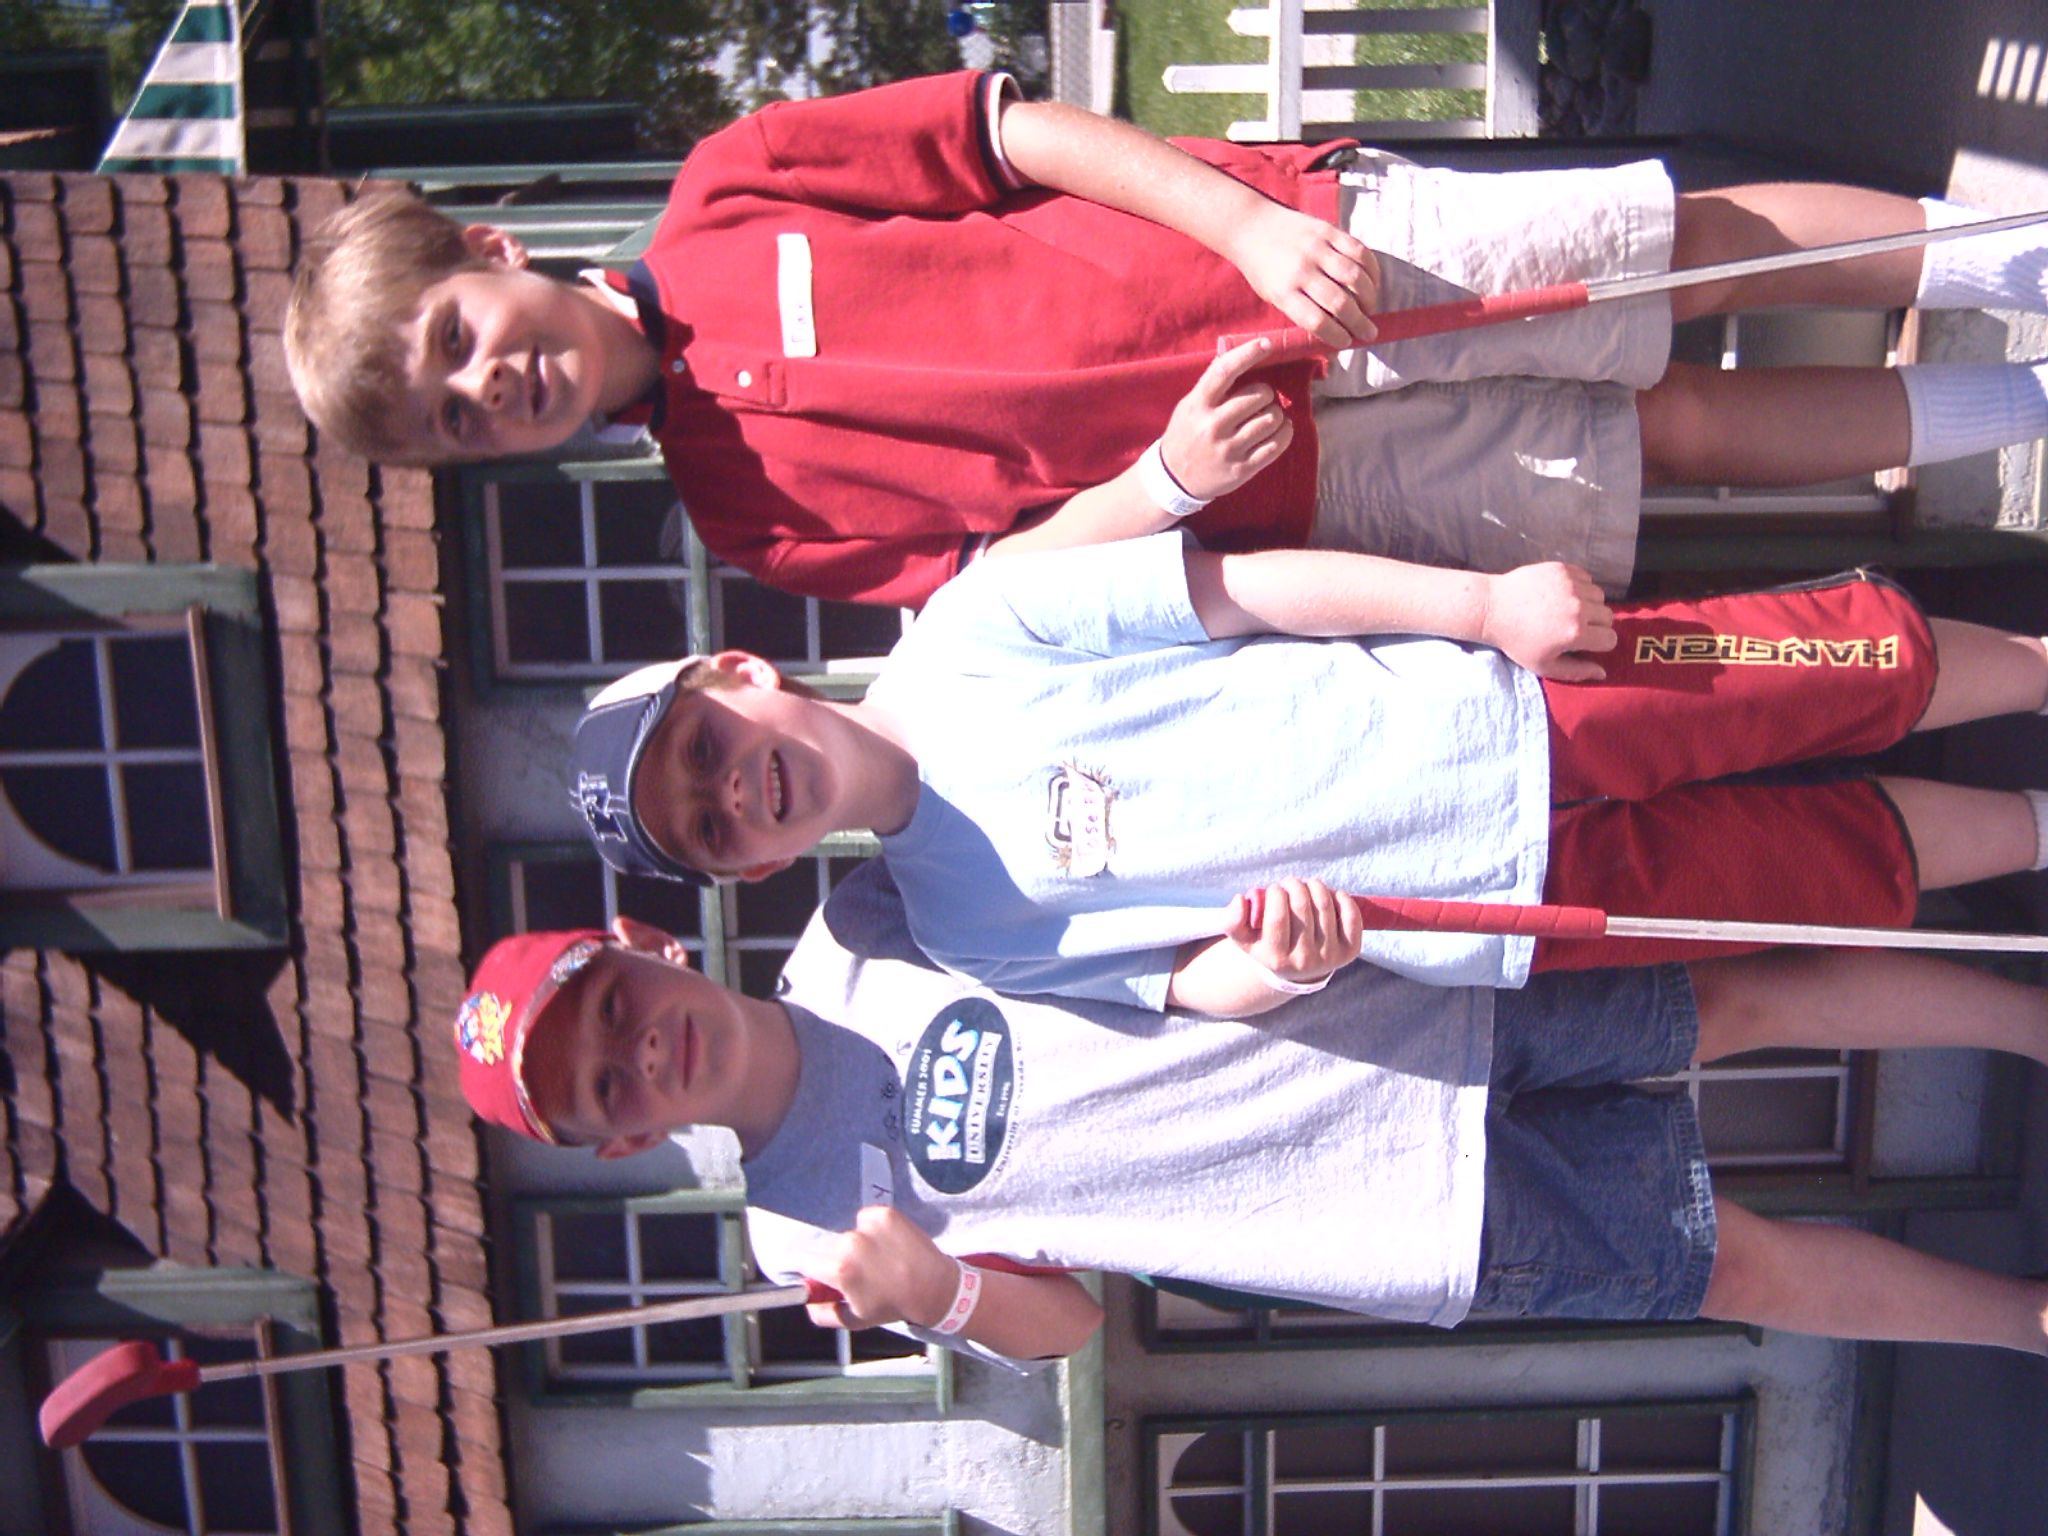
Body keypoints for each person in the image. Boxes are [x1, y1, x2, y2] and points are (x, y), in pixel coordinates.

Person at [285, 70, 2048, 607]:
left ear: (494, 252)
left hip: (1303, 253)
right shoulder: (744, 524)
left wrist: (1248, 227)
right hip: (1292, 482)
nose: (487, 386)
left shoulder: (730, 189)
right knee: (1677, 445)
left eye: (457, 339)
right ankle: (2030, 398)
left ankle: (2021, 262)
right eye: (457, 420)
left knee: (1685, 264)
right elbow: (998, 582)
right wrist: (1163, 485)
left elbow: (1010, 138)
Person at [448, 861, 2048, 1362]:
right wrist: (935, 1295)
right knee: (1732, 1268)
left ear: (647, 946)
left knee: (1737, 999)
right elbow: (1070, 1329)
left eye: (614, 1007)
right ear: (616, 1144)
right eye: (602, 1087)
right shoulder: (802, 1243)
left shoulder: (867, 915)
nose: (637, 1052)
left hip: (1384, 1002)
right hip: (1384, 1219)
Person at [567, 525, 2048, 1015]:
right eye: (708, 830)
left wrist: (1483, 607)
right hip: (1490, 912)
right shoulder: (965, 931)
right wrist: (1275, 971)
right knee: (1831, 875)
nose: (733, 792)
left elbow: (1245, 591)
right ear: (757, 868)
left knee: (1840, 666)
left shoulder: (973, 624)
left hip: (1508, 704)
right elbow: (1177, 984)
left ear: (739, 675)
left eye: (706, 752)